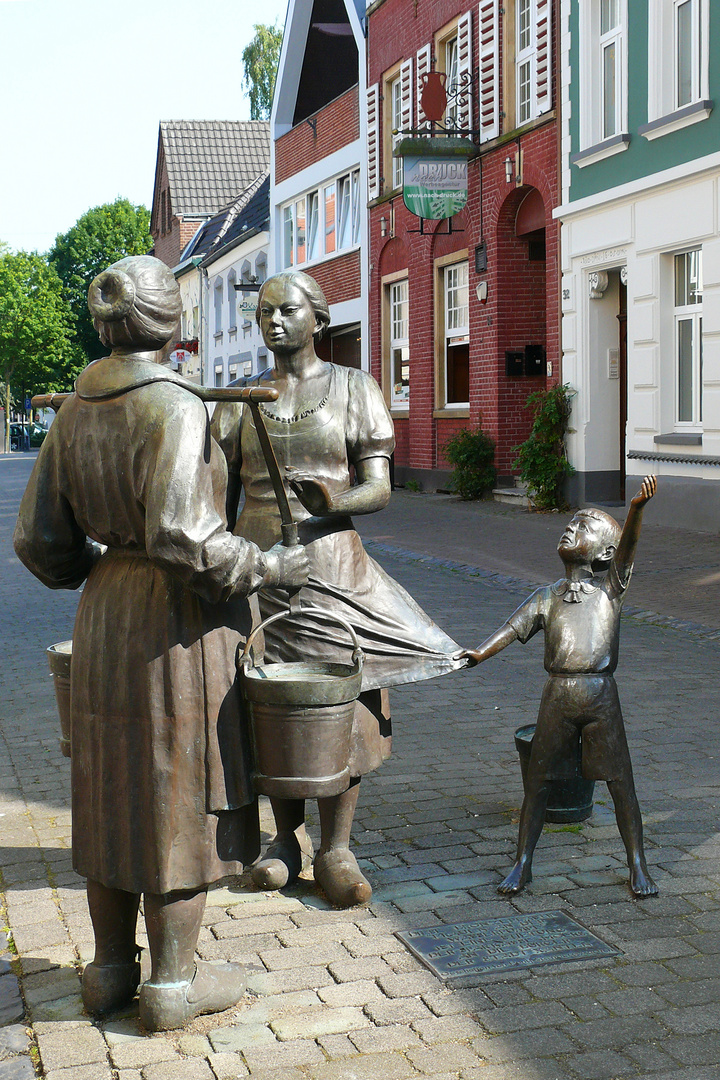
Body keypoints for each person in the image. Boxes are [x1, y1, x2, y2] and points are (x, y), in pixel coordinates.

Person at [14, 255, 309, 1031]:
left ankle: (110, 971)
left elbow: (39, 541)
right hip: (175, 621)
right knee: (179, 789)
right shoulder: (174, 404)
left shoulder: (75, 405)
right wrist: (266, 564)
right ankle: (172, 986)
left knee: (110, 783)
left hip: (107, 613)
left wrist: (102, 569)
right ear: (169, 324)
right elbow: (185, 537)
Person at [211, 270, 464, 908]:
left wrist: (337, 499)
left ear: (318, 318)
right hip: (262, 568)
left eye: (287, 310)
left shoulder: (355, 388)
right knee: (267, 698)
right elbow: (220, 496)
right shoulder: (240, 399)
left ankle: (337, 846)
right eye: (264, 312)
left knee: (342, 695)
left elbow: (380, 487)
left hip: (332, 567)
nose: (273, 321)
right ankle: (283, 840)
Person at [459, 477, 659, 898]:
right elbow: (512, 630)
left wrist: (636, 510)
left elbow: (629, 551)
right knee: (538, 782)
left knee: (621, 781)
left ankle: (637, 863)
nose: (571, 527)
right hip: (557, 695)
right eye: (570, 521)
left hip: (601, 696)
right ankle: (522, 862)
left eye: (583, 525)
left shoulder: (611, 589)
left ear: (605, 552)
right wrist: (479, 653)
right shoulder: (545, 596)